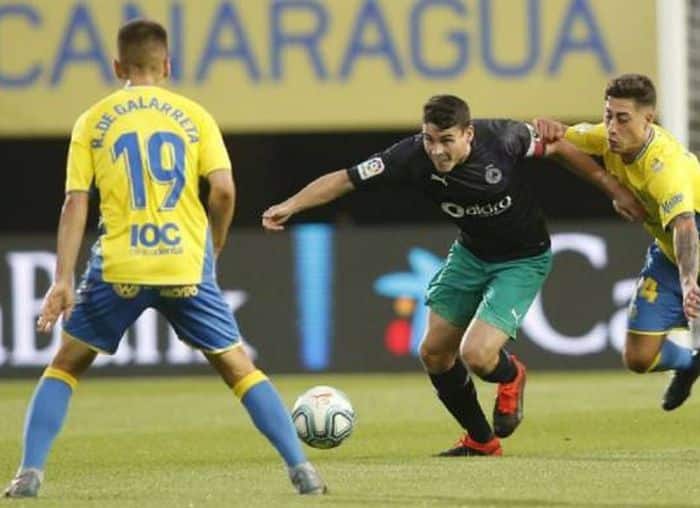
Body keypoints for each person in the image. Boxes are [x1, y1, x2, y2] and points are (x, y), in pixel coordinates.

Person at [3, 19, 325, 498]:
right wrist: (213, 244)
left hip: (120, 266)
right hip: (184, 264)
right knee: (239, 368)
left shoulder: (92, 120)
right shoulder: (194, 115)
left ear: (117, 66)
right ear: (167, 65)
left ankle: (29, 474)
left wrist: (63, 278)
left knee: (66, 365)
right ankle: (302, 470)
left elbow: (76, 203)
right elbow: (223, 190)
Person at [262, 95, 644, 456]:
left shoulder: (503, 138)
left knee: (476, 355)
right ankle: (481, 442)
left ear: (469, 134)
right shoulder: (410, 155)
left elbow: (559, 147)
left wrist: (614, 190)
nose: (437, 150)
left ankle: (511, 376)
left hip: (523, 258)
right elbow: (345, 179)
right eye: (430, 139)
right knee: (433, 353)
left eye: (446, 140)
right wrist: (290, 205)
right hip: (471, 254)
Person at [534, 73, 700, 411]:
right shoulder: (606, 138)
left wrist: (688, 282)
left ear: (648, 119)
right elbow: (557, 142)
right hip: (671, 257)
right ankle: (691, 364)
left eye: (622, 119)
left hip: (688, 254)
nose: (612, 126)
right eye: (608, 115)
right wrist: (549, 128)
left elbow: (685, 226)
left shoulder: (667, 167)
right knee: (638, 358)